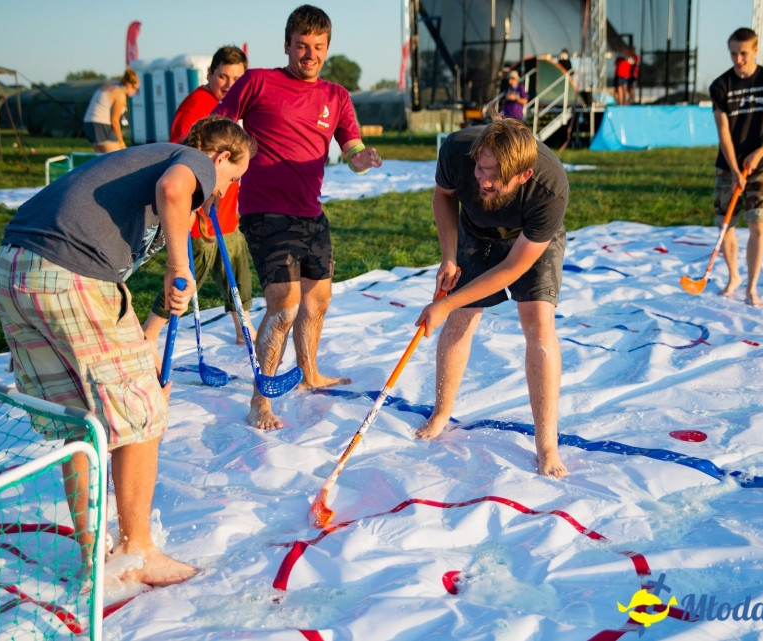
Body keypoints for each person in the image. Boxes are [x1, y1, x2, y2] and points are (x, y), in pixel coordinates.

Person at [0, 116, 254, 586]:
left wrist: (144, 339)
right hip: (70, 273)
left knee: (79, 420)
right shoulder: (190, 161)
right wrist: (178, 263)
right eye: (233, 178)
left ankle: (93, 554)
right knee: (142, 415)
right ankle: (138, 550)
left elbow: (118, 277)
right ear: (219, 158)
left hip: (13, 270)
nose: (226, 190)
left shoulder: (145, 160)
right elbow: (175, 190)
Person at [213, 4, 382, 431]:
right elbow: (217, 126)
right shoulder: (258, 81)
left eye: (318, 47)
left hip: (311, 211)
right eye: (302, 46)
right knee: (284, 305)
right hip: (265, 209)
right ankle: (261, 401)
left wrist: (364, 158)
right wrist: (212, 169)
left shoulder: (336, 96)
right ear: (287, 44)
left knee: (318, 300)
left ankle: (309, 373)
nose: (310, 54)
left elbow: (352, 149)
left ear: (327, 48)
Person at [413, 117, 569, 479]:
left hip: (528, 240)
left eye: (494, 177)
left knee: (538, 319)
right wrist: (448, 255)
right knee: (462, 316)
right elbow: (444, 197)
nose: (483, 180)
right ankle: (440, 413)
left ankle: (547, 445)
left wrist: (444, 302)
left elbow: (514, 266)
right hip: (475, 229)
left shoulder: (550, 188)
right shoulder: (456, 149)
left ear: (523, 176)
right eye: (480, 169)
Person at [143, 45, 254, 347]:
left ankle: (242, 328)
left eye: (237, 79)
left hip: (226, 207)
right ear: (209, 74)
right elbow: (182, 155)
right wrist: (202, 198)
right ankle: (150, 333)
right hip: (201, 211)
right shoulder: (196, 106)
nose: (229, 85)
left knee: (236, 264)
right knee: (189, 275)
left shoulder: (236, 105)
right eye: (223, 77)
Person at [708, 27, 763, 307]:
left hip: (760, 164)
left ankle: (752, 288)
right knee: (726, 226)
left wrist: (759, 153)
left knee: (758, 224)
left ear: (755, 50)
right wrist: (733, 170)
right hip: (728, 165)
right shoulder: (720, 85)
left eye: (743, 53)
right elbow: (723, 133)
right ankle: (734, 276)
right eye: (733, 53)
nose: (738, 59)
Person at [83, 68, 140, 153]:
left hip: (88, 123)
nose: (136, 92)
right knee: (117, 158)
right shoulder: (120, 94)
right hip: (101, 124)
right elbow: (114, 120)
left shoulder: (110, 86)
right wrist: (121, 142)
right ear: (129, 84)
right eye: (136, 89)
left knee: (101, 160)